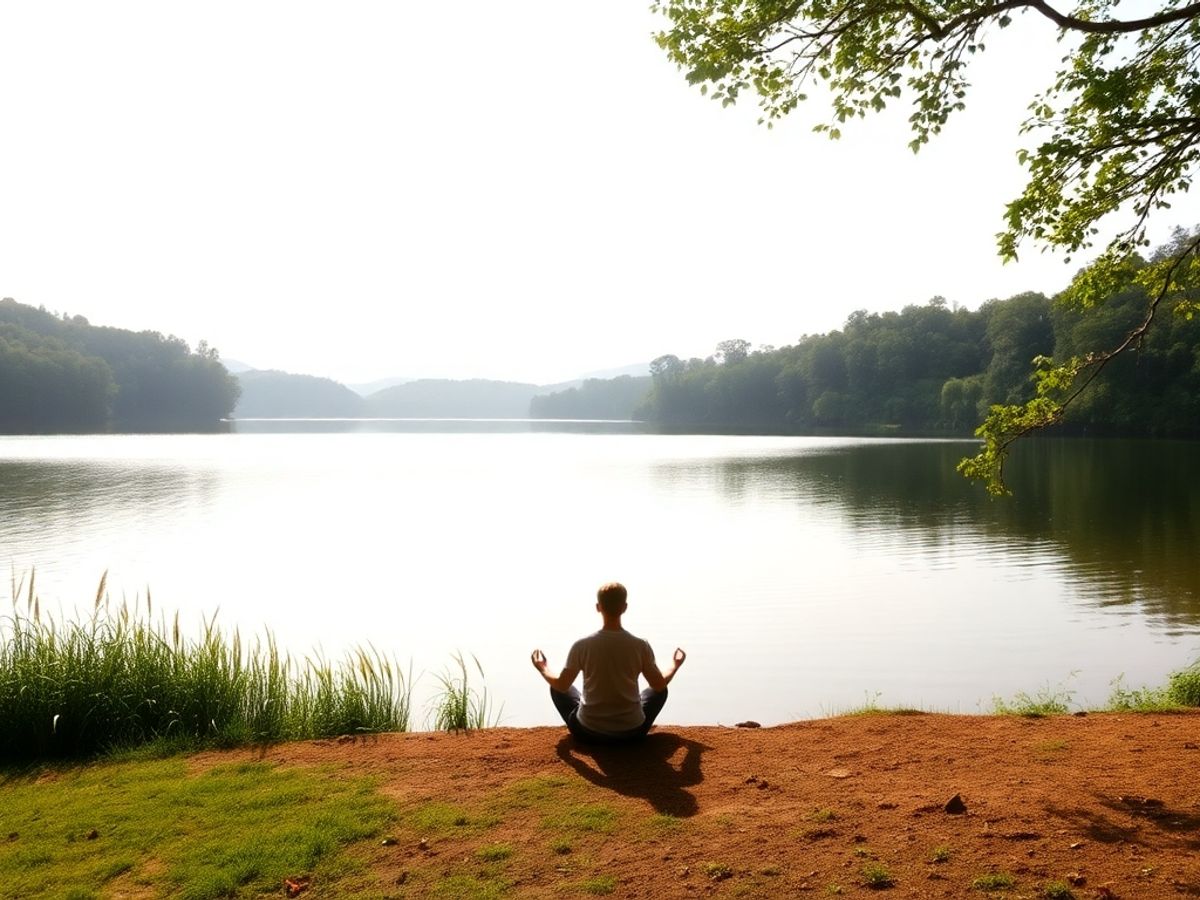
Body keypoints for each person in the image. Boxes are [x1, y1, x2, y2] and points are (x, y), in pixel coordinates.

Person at [531, 582, 686, 744]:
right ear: (624, 607)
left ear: (598, 607)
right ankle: (629, 716)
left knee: (556, 688)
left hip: (588, 732)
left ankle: (594, 717)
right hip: (632, 733)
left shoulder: (582, 645)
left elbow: (562, 685)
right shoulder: (640, 645)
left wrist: (543, 668)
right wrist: (675, 665)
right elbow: (659, 685)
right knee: (660, 691)